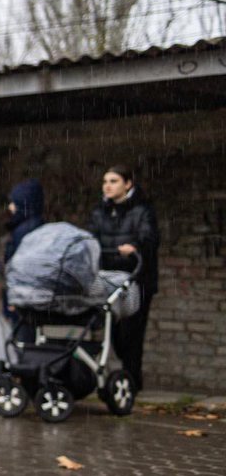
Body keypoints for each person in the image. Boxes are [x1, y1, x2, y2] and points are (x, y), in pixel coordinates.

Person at [88, 165, 159, 390]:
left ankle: (131, 382)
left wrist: (135, 247)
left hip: (135, 279)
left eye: (113, 181)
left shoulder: (142, 210)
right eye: (105, 181)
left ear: (128, 184)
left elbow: (149, 238)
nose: (107, 186)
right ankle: (116, 379)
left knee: (132, 334)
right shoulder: (100, 211)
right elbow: (90, 237)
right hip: (108, 279)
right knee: (113, 331)